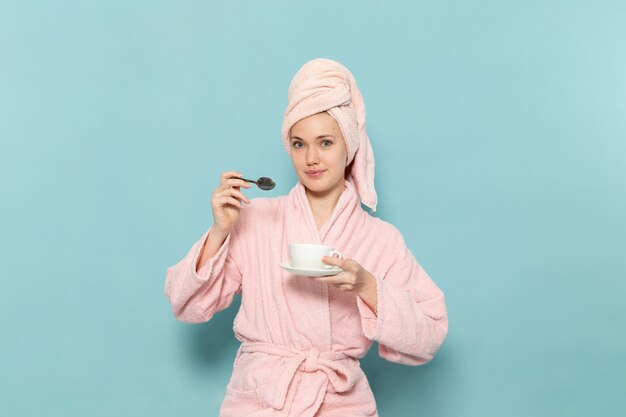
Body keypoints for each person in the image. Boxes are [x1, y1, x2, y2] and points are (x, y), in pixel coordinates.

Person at [164, 58, 448, 417]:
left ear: (350, 147)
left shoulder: (381, 239)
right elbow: (185, 304)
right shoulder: (256, 218)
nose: (311, 158)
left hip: (340, 403)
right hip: (259, 400)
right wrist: (220, 231)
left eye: (325, 142)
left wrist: (368, 286)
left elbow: (429, 337)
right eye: (299, 144)